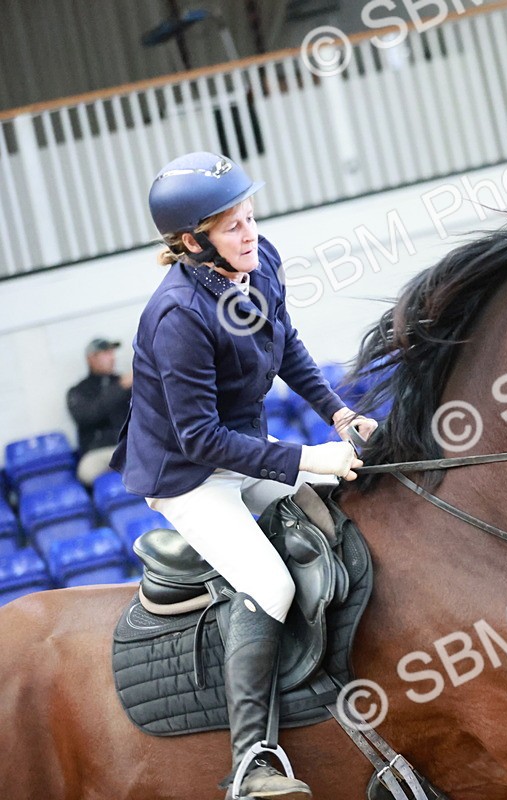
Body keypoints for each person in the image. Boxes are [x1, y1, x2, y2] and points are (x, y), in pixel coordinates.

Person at [110, 151, 378, 800]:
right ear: (191, 240)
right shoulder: (177, 316)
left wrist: (339, 414)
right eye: (232, 226)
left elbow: (285, 344)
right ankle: (252, 763)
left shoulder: (262, 264)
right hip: (187, 475)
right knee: (269, 581)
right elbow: (201, 440)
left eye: (251, 217)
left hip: (243, 448)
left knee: (336, 518)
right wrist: (307, 456)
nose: (250, 233)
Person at [66, 337, 133, 486]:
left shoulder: (126, 383)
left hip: (129, 447)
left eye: (112, 353)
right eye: (106, 353)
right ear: (91, 359)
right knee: (87, 471)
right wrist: (121, 387)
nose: (112, 357)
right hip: (98, 452)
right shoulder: (78, 391)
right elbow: (88, 415)